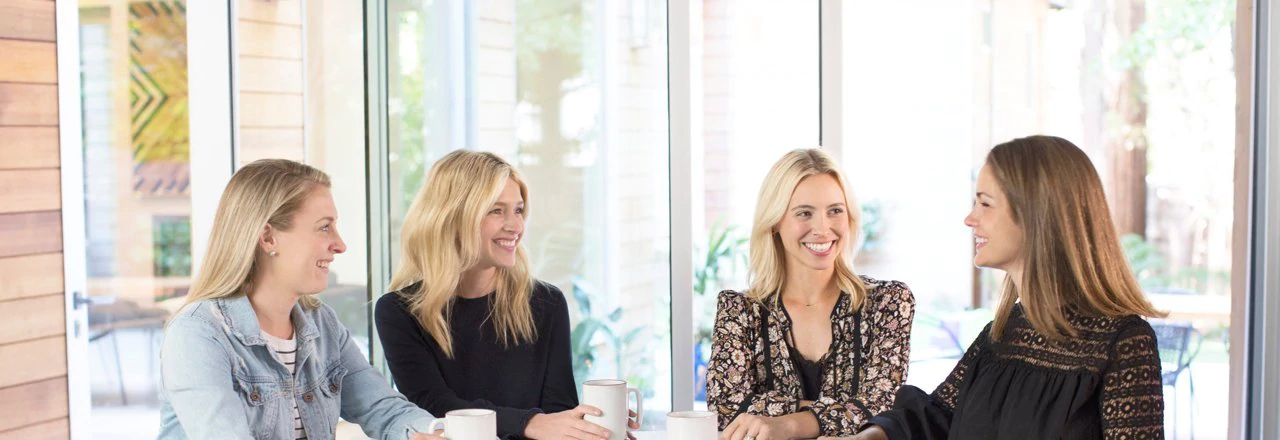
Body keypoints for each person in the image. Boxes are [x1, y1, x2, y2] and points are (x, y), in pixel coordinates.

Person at [832, 135, 1166, 440]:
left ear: (1036, 214)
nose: (970, 218)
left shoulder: (1124, 342)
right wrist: (869, 437)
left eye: (985, 204)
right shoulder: (1004, 333)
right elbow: (938, 416)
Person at [158, 159, 440, 440]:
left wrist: (427, 433)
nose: (340, 245)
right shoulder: (198, 335)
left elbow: (383, 410)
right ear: (268, 238)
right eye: (324, 227)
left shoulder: (321, 323)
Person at [376, 150, 635, 440]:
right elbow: (436, 407)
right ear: (453, 216)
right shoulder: (400, 312)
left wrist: (590, 426)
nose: (515, 226)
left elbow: (558, 411)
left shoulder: (546, 303)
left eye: (519, 210)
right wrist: (531, 423)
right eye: (497, 210)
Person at [706, 148, 916, 440]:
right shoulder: (740, 311)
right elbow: (727, 410)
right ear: (776, 222)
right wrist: (845, 410)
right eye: (805, 213)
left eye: (835, 211)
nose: (823, 228)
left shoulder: (887, 303)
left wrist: (788, 423)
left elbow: (884, 406)